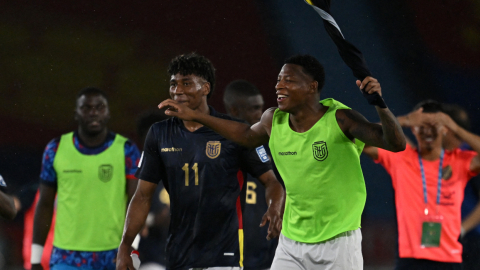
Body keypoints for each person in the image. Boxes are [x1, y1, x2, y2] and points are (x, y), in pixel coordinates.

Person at [159, 54, 406, 269]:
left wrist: (380, 104)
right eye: (279, 79)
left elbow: (395, 144)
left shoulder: (340, 119)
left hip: (338, 242)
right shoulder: (272, 120)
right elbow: (245, 136)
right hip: (292, 241)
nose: (279, 85)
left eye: (289, 80)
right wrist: (197, 116)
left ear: (312, 87)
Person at [116, 53, 285, 270]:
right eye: (173, 84)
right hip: (178, 256)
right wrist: (125, 246)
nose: (178, 90)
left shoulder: (235, 132)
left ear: (205, 88)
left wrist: (274, 207)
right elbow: (142, 196)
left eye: (186, 83)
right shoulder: (159, 134)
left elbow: (272, 182)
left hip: (225, 255)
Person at [31, 87, 141, 270]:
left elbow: (136, 203)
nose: (93, 112)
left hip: (113, 255)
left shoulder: (126, 150)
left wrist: (132, 250)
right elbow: (44, 204)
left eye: (99, 107)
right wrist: (35, 259)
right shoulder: (55, 149)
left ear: (108, 113)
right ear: (76, 113)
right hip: (66, 257)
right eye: (87, 107)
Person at [362, 100, 480, 270]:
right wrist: (402, 121)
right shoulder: (401, 157)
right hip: (411, 260)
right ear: (413, 129)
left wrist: (455, 127)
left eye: (434, 126)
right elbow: (357, 137)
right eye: (421, 126)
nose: (427, 132)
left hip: (449, 259)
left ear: (444, 129)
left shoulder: (458, 161)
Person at [223, 80, 283, 270]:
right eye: (254, 109)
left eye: (261, 108)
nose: (260, 114)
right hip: (227, 250)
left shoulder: (274, 148)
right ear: (234, 111)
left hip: (265, 252)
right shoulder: (217, 150)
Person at [441, 104, 480, 270]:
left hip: (470, 237)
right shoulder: (435, 157)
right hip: (441, 236)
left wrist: (462, 229)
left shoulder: (471, 158)